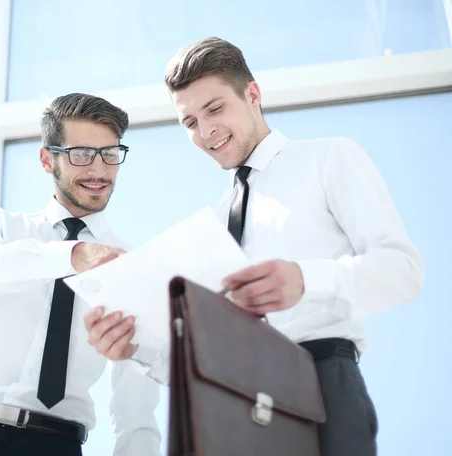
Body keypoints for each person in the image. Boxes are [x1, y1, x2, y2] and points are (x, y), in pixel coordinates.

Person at [83, 37, 424, 456]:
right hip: (228, 402)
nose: (206, 131)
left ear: (253, 94)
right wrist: (136, 348)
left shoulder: (328, 158)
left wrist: (306, 280)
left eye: (214, 108)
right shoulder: (210, 224)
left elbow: (403, 271)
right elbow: (203, 355)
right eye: (189, 122)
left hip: (322, 385)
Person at [0, 93, 162, 456]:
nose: (99, 170)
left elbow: (135, 399)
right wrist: (71, 255)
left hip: (54, 444)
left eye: (109, 154)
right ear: (47, 158)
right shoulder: (1, 227)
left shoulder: (131, 266)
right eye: (81, 154)